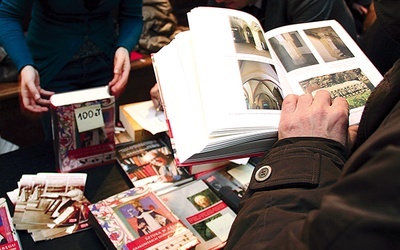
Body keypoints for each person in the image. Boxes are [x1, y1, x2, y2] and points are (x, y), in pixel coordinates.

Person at [0, 0, 143, 140]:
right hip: (53, 67)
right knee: (59, 148)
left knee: (99, 144)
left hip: (105, 66)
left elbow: (132, 16)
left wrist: (124, 46)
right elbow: (7, 15)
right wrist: (24, 64)